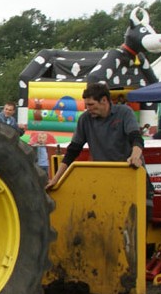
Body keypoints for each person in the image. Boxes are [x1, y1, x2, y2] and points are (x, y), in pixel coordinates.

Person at [45, 83, 152, 211]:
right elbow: (72, 151)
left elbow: (136, 138)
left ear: (104, 100)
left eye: (91, 105)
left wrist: (135, 157)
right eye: (86, 105)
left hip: (130, 174)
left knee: (141, 214)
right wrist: (55, 179)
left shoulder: (124, 112)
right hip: (104, 178)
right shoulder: (85, 119)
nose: (88, 108)